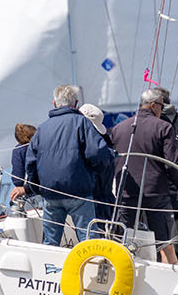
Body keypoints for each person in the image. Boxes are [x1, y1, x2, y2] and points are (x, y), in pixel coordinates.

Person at [26, 83, 115, 247]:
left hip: (50, 194)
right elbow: (98, 154)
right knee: (88, 241)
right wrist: (94, 172)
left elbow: (31, 162)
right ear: (76, 104)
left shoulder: (42, 129)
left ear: (54, 103)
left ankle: (48, 271)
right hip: (78, 192)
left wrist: (37, 188)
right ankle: (91, 270)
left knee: (50, 242)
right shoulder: (81, 123)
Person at [108, 87, 178, 264]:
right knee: (165, 243)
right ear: (153, 105)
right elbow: (172, 164)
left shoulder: (119, 128)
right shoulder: (164, 127)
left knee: (122, 240)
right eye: (161, 106)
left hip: (126, 192)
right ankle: (170, 278)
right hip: (155, 194)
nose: (162, 110)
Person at [8, 123, 39, 204]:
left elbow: (18, 180)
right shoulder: (41, 147)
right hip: (45, 192)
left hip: (30, 194)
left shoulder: (18, 150)